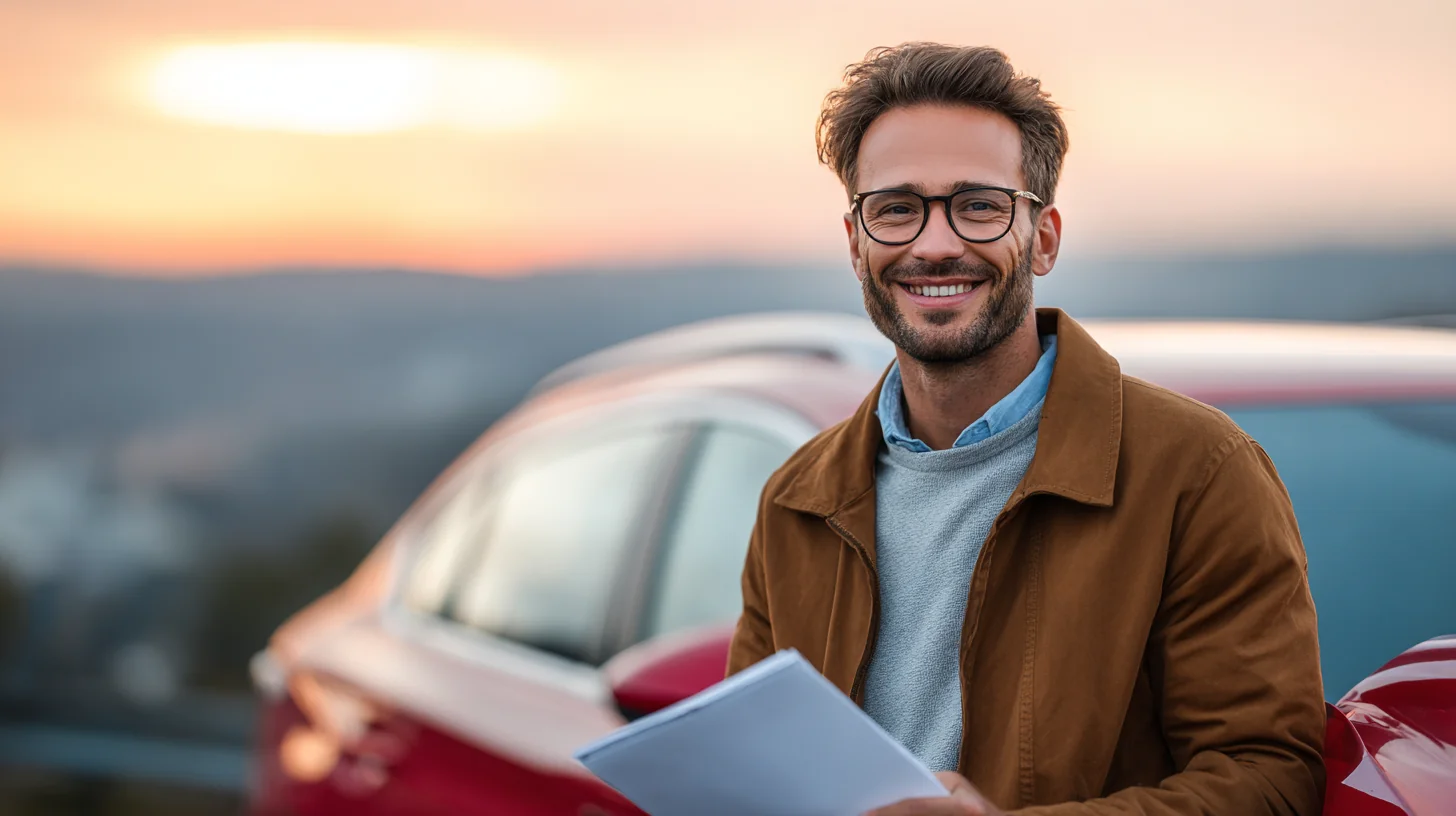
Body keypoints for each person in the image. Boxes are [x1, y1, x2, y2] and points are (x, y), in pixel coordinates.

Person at [726, 43, 1325, 815]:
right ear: (855, 242)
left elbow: (1271, 781)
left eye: (979, 205)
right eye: (896, 209)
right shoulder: (796, 501)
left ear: (1042, 237)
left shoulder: (1198, 473)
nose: (935, 244)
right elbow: (751, 774)